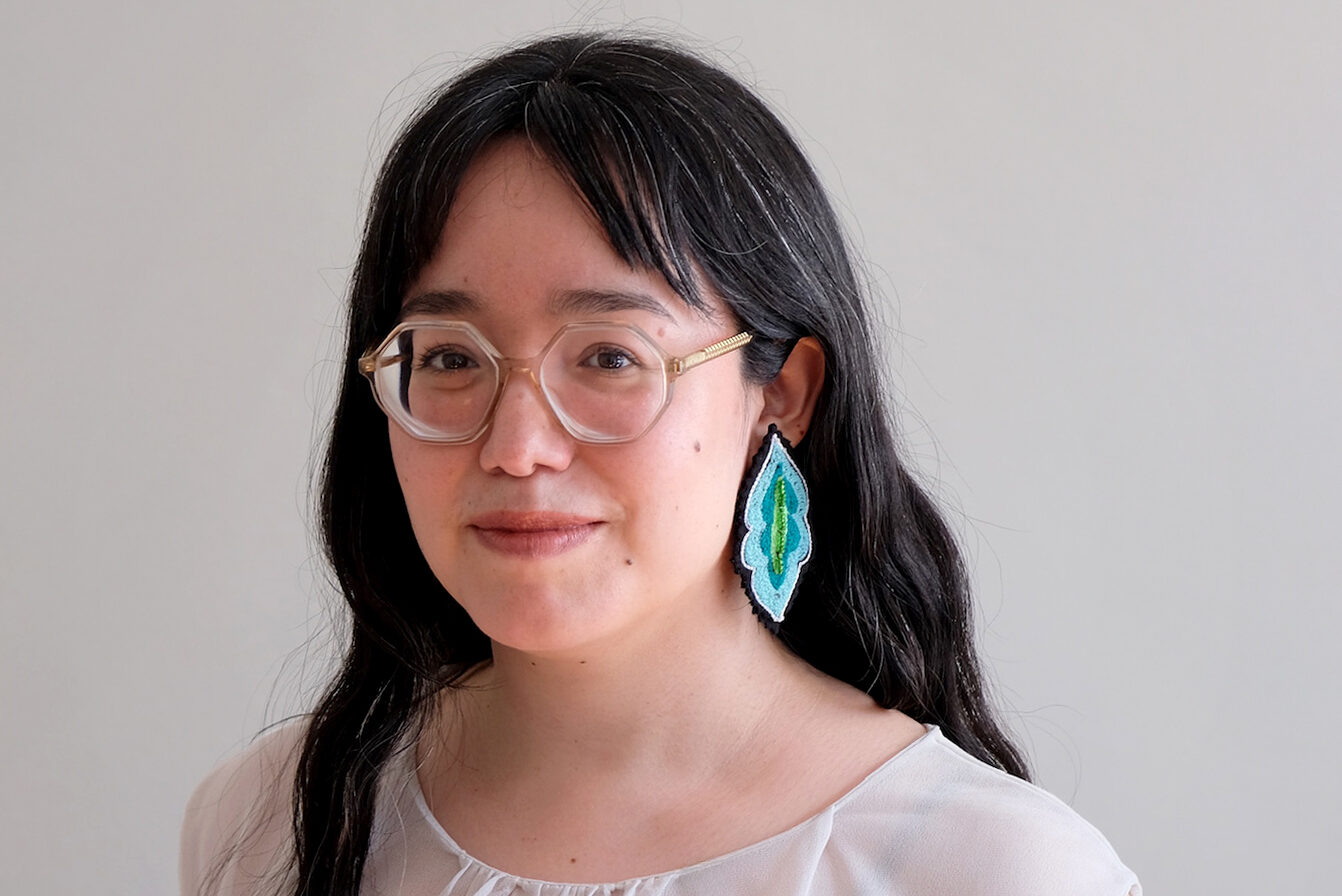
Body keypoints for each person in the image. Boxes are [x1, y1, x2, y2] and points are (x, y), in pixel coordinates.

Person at [180, 32, 1141, 896]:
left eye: (609, 358)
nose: (516, 447)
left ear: (784, 394)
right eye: (451, 358)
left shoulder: (989, 872)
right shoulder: (271, 825)